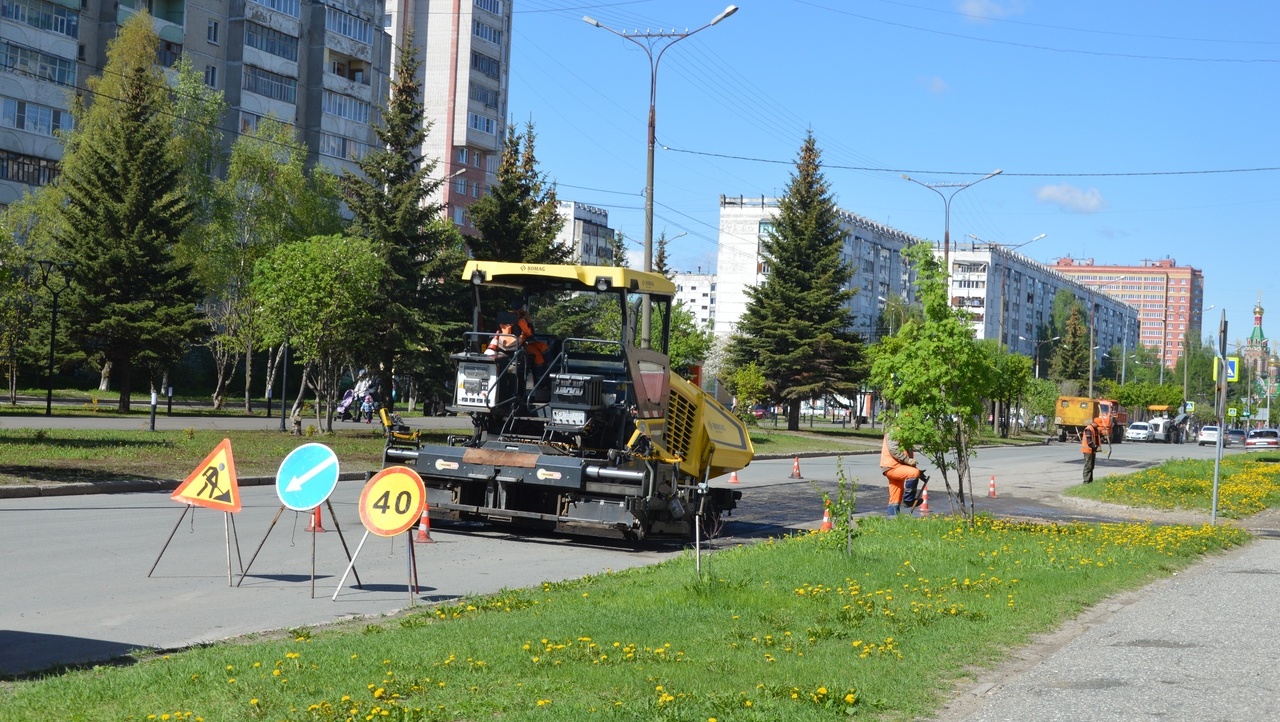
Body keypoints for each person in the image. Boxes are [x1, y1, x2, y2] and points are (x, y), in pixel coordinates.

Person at [880, 426, 923, 516]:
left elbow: (905, 451)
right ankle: (908, 501)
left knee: (895, 498)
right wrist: (908, 460)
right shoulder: (894, 430)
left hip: (896, 465)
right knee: (914, 473)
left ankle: (893, 519)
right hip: (892, 466)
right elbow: (893, 449)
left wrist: (910, 463)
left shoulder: (903, 432)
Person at [1081, 418, 1101, 483]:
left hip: (1092, 450)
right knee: (1088, 466)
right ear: (1094, 423)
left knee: (1092, 466)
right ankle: (1086, 481)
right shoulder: (1088, 429)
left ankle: (1090, 481)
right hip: (1087, 450)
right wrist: (1096, 447)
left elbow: (1096, 439)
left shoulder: (1095, 429)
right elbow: (1089, 442)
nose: (1098, 426)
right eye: (1098, 425)